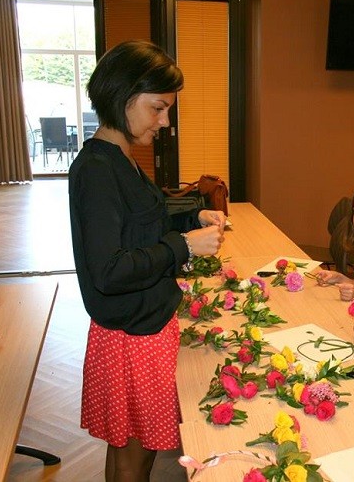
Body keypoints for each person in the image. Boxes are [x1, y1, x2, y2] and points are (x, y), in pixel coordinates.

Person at [68, 40, 226, 481]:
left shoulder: (118, 157)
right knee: (133, 456)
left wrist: (193, 215)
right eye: (158, 108)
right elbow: (110, 269)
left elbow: (139, 220)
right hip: (132, 334)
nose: (165, 121)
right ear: (123, 97)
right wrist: (185, 247)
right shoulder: (98, 171)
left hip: (140, 327)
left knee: (125, 446)